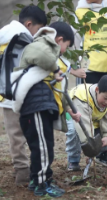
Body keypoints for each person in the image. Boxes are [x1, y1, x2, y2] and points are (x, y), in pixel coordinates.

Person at [11, 21, 80, 197]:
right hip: (35, 106)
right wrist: (56, 68)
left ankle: (37, 179)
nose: (64, 51)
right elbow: (40, 54)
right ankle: (42, 184)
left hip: (42, 105)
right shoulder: (40, 44)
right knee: (42, 148)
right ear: (59, 39)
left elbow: (59, 90)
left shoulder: (48, 53)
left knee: (43, 146)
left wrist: (68, 110)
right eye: (66, 46)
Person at [66, 0, 107, 169]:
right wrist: (76, 66)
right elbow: (74, 41)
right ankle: (83, 153)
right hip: (89, 68)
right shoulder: (79, 12)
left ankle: (103, 153)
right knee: (84, 113)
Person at [0, 5, 47, 185]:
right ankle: (22, 173)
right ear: (29, 24)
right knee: (23, 134)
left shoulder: (4, 33)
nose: (37, 34)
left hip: (6, 94)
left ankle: (22, 170)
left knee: (15, 135)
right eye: (38, 29)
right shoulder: (23, 38)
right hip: (19, 94)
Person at [66, 75, 107, 170]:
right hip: (75, 118)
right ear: (97, 90)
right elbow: (83, 125)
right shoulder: (82, 97)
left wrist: (106, 136)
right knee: (74, 132)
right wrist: (90, 149)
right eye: (105, 98)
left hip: (93, 118)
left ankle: (101, 156)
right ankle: (73, 160)